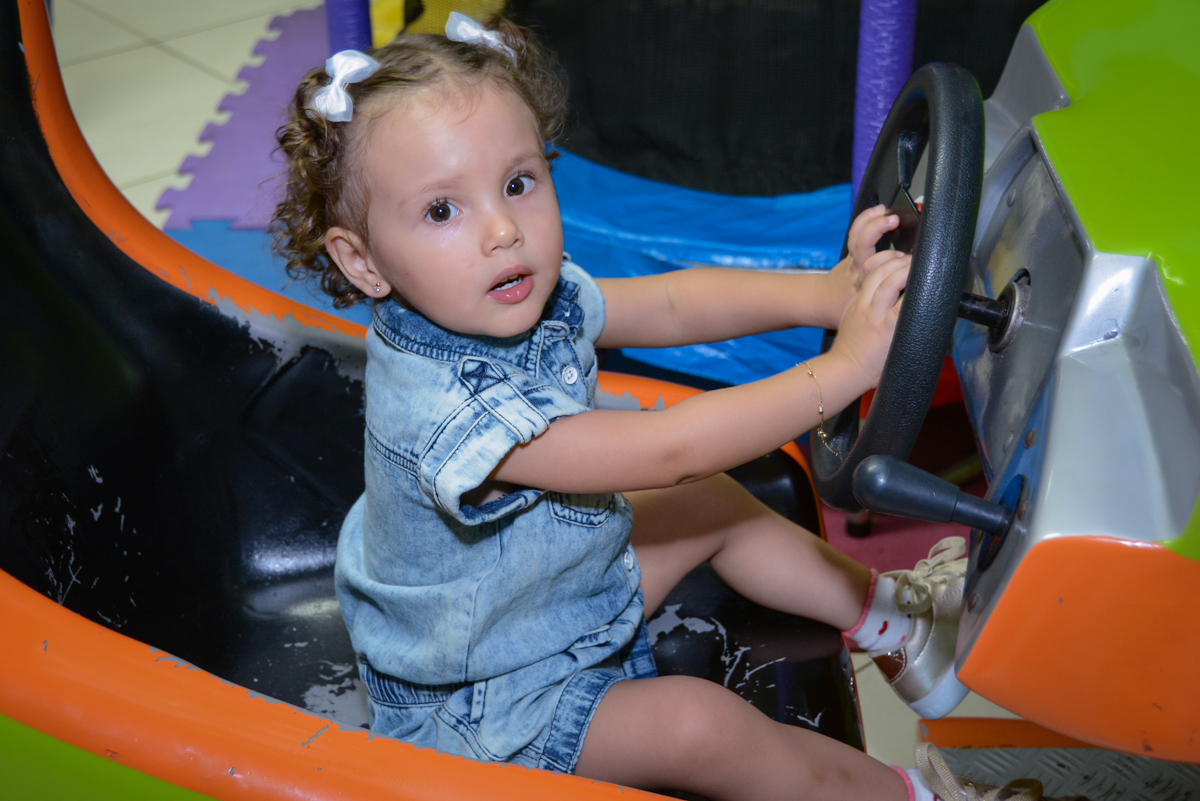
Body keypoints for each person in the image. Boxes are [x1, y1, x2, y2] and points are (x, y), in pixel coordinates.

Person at [272, 14, 972, 801]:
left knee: (707, 503)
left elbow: (670, 304)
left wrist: (823, 293)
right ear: (362, 261)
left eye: (518, 183)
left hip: (539, 599)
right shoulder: (449, 408)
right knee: (698, 728)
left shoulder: (511, 292)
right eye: (443, 211)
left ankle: (899, 624)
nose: (503, 230)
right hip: (489, 702)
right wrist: (842, 372)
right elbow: (670, 447)